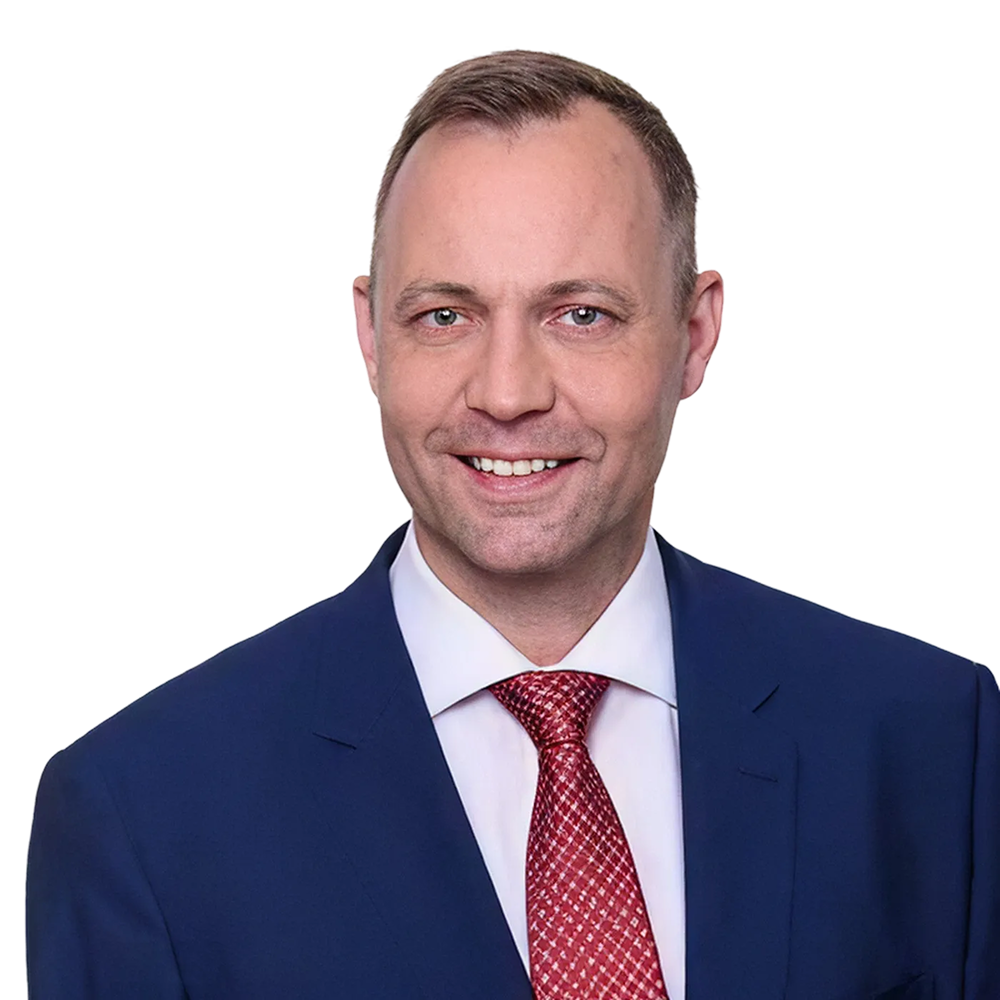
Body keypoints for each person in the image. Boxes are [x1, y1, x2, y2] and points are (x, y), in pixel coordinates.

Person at [25, 49, 997, 1000]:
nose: (506, 393)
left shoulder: (932, 737)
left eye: (580, 315)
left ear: (695, 334)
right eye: (445, 316)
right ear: (369, 338)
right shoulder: (137, 809)